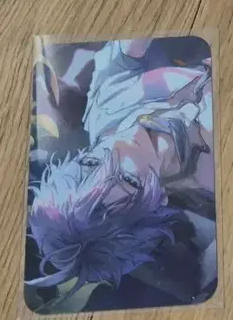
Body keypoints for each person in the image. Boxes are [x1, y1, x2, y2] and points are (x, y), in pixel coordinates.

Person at [26, 39, 216, 307]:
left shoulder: (105, 111)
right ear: (159, 200)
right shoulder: (214, 174)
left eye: (91, 163)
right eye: (128, 179)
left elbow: (125, 51)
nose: (119, 148)